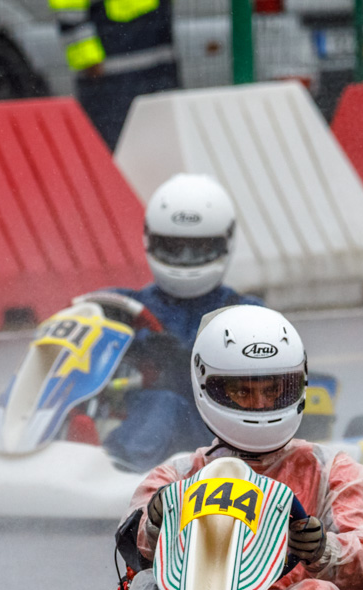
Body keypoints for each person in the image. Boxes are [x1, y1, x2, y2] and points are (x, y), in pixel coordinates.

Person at [118, 305, 363, 590]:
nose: (261, 404)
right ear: (210, 386)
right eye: (242, 391)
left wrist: (324, 549)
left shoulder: (334, 472)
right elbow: (135, 550)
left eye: (273, 390)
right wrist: (155, 521)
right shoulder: (178, 475)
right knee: (148, 584)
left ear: (296, 385)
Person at [102, 173, 262, 471]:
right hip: (125, 420)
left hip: (209, 440)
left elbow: (259, 394)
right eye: (173, 247)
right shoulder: (120, 304)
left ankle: (120, 472)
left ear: (225, 243)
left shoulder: (245, 313)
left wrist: (182, 363)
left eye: (199, 248)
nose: (186, 259)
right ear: (151, 240)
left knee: (164, 402)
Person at [51, 0, 179, 149]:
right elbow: (68, 8)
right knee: (114, 144)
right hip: (111, 71)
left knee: (161, 141)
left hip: (156, 62)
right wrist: (86, 57)